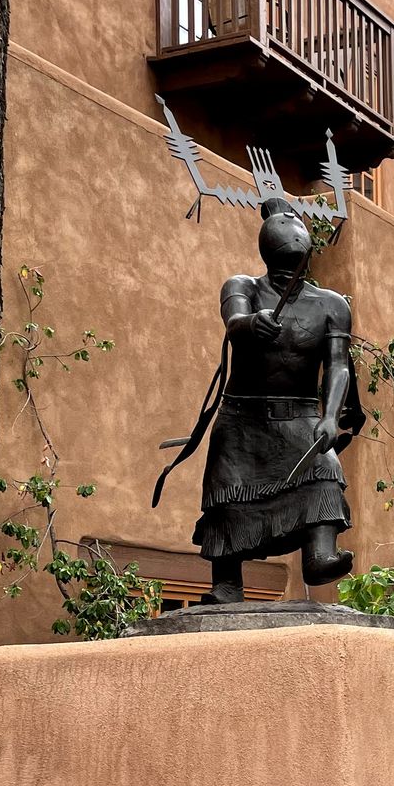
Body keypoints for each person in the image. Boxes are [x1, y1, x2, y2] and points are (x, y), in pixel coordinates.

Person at [154, 202, 363, 601]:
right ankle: (227, 583)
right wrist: (251, 323)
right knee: (229, 496)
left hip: (300, 414)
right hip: (242, 415)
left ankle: (320, 556)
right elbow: (233, 322)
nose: (288, 276)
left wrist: (331, 416)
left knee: (323, 469)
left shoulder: (332, 304)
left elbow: (338, 366)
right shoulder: (242, 287)